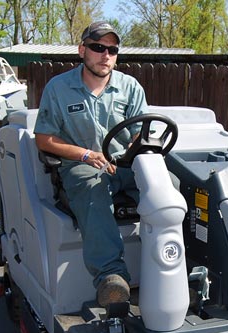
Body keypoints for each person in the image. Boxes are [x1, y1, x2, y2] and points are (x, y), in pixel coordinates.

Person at [34, 21, 148, 311]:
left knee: (170, 187)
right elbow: (44, 139)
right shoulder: (59, 88)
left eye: (112, 50)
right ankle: (112, 278)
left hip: (124, 164)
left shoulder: (130, 87)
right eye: (98, 47)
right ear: (82, 50)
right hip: (81, 164)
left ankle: (174, 263)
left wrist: (132, 152)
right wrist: (85, 154)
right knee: (93, 188)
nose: (105, 55)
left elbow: (141, 133)